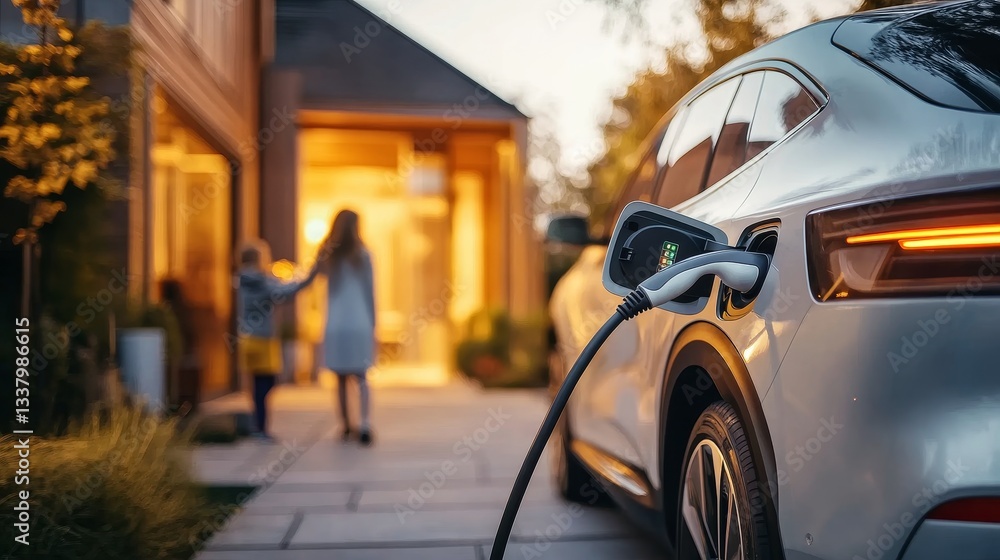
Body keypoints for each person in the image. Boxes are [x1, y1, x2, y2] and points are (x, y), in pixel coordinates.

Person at [236, 239, 323, 442]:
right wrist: (312, 273)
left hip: (247, 339)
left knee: (258, 384)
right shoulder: (261, 280)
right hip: (263, 340)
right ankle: (259, 427)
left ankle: (257, 425)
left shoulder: (242, 279)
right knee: (267, 383)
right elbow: (288, 291)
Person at [320, 209, 377, 446]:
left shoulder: (329, 256)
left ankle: (345, 425)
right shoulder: (363, 255)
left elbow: (316, 277)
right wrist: (374, 323)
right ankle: (364, 423)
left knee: (341, 378)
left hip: (336, 322)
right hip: (359, 320)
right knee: (362, 377)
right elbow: (370, 291)